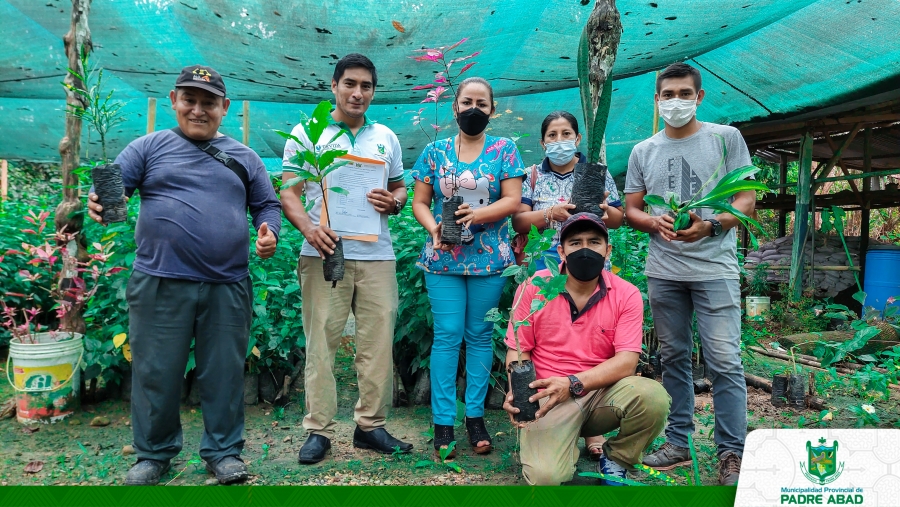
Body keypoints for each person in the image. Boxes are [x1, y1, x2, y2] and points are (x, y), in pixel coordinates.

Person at [87, 65, 282, 485]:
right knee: (156, 370)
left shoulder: (244, 157)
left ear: (224, 108)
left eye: (208, 102)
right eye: (189, 99)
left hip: (227, 284)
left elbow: (267, 205)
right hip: (159, 280)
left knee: (225, 372)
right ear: (174, 100)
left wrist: (270, 233)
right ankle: (153, 455)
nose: (198, 109)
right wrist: (101, 203)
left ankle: (224, 453)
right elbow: (112, 192)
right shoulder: (146, 148)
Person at [624, 62, 755, 486]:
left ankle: (731, 452)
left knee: (724, 361)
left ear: (699, 97)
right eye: (668, 94)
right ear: (657, 100)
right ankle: (678, 441)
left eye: (684, 94)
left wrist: (712, 225)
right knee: (674, 357)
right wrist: (652, 223)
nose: (675, 101)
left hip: (715, 268)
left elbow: (747, 198)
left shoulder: (725, 138)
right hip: (664, 270)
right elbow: (632, 208)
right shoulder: (644, 150)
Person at [280, 54, 412, 464]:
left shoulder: (385, 138)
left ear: (374, 90)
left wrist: (394, 201)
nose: (358, 93)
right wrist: (308, 229)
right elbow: (289, 191)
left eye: (366, 86)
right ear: (334, 85)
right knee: (322, 341)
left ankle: (370, 426)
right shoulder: (308, 133)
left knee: (376, 342)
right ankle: (318, 430)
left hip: (376, 254)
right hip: (322, 252)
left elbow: (400, 190)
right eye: (350, 84)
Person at [502, 212, 670, 486]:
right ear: (561, 251)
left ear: (608, 250)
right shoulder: (534, 288)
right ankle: (557, 448)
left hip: (600, 393)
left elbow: (627, 361)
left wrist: (573, 383)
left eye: (594, 242)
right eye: (575, 242)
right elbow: (519, 350)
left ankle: (617, 459)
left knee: (652, 397)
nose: (585, 249)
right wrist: (516, 390)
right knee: (547, 478)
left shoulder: (625, 294)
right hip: (546, 396)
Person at [410, 77, 525, 457]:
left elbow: (512, 201)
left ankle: (474, 416)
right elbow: (420, 202)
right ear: (455, 106)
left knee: (478, 335)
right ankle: (443, 421)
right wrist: (435, 229)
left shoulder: (505, 150)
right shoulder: (434, 151)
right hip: (442, 260)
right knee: (447, 335)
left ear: (492, 109)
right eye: (467, 102)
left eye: (482, 103)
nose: (474, 109)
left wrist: (475, 216)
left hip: (490, 260)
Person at [512, 111, 624, 271]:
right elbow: (519, 223)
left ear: (577, 139)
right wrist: (551, 213)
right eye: (552, 135)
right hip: (543, 260)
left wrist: (604, 210)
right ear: (543, 143)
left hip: (588, 256)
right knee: (545, 295)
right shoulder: (531, 175)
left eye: (566, 134)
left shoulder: (595, 172)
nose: (559, 140)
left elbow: (618, 220)